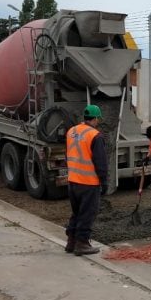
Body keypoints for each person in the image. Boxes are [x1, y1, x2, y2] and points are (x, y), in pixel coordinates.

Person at [64, 105, 108, 256]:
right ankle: (82, 243)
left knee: (76, 212)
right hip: (88, 182)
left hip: (73, 180)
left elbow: (68, 153)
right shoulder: (96, 135)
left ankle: (71, 242)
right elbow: (100, 162)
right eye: (98, 119)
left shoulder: (71, 131)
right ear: (95, 119)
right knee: (87, 213)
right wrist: (104, 181)